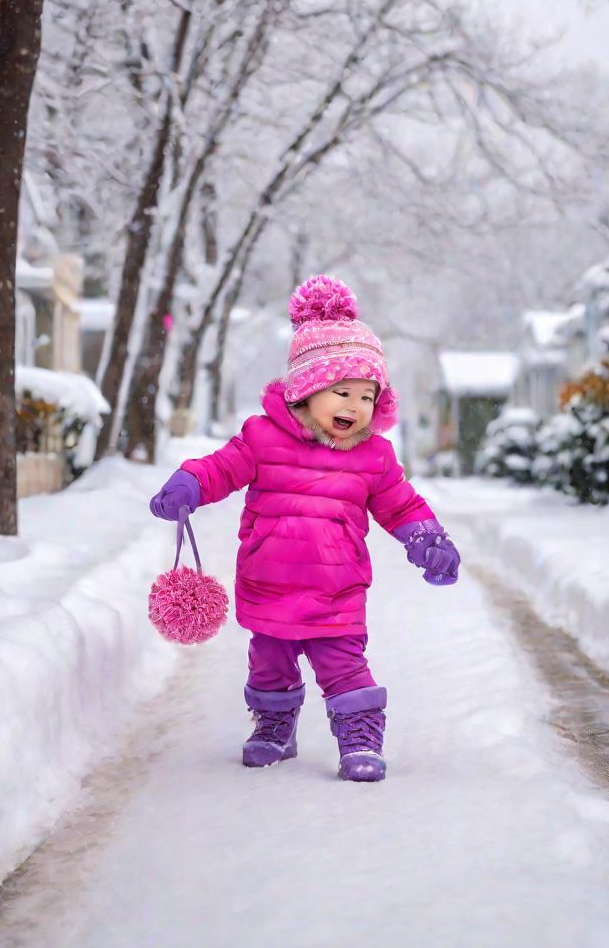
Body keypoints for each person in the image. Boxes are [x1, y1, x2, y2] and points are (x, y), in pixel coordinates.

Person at [149, 275, 460, 782]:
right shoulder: (262, 437)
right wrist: (190, 483)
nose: (354, 407)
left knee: (345, 668)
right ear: (306, 390)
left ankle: (360, 736)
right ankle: (274, 726)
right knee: (268, 666)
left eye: (366, 396)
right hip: (268, 584)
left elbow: (401, 505)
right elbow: (223, 467)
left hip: (337, 592)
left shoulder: (374, 456)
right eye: (342, 392)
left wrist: (428, 539)